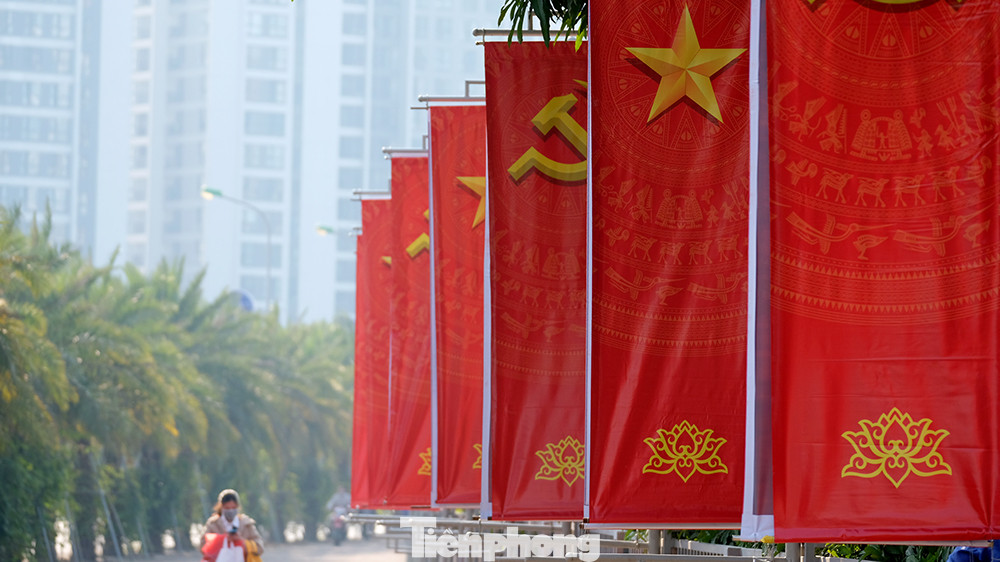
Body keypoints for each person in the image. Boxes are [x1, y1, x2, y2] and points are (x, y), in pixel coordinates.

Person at [202, 488, 264, 555]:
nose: (230, 511)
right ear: (221, 507)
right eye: (227, 508)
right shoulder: (212, 524)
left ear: (238, 506)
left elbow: (260, 547)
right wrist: (222, 540)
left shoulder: (247, 524)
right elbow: (203, 546)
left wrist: (242, 542)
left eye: (233, 507)